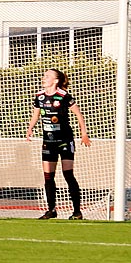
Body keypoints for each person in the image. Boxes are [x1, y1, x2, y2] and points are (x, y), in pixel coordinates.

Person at [27, 68, 91, 219]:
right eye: (44, 75)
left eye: (47, 76)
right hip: (48, 142)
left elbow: (78, 114)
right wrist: (30, 128)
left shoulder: (64, 96)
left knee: (68, 174)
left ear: (56, 81)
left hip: (65, 140)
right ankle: (51, 210)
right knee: (48, 176)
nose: (44, 78)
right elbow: (35, 114)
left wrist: (84, 133)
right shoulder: (39, 97)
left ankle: (77, 212)